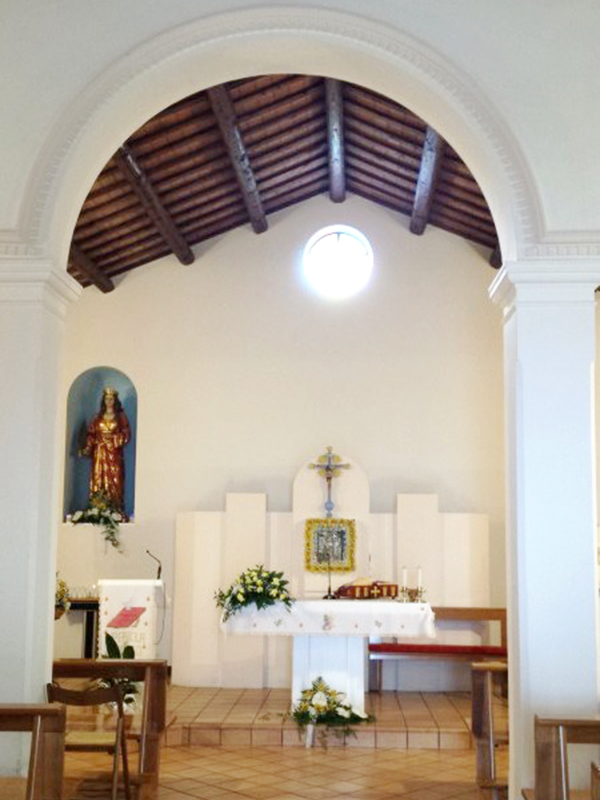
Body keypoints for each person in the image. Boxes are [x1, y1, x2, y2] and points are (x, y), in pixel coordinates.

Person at [81, 387, 130, 513]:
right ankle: (98, 507)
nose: (109, 402)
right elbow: (91, 434)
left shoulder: (120, 417)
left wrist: (114, 439)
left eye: (111, 399)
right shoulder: (97, 418)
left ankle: (115, 507)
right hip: (100, 452)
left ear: (115, 401)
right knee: (99, 477)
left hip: (113, 453)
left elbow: (126, 433)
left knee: (115, 479)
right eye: (106, 399)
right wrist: (88, 447)